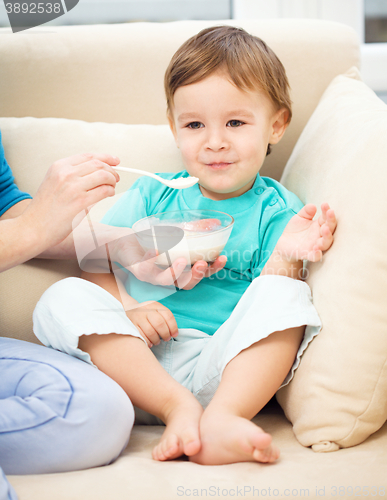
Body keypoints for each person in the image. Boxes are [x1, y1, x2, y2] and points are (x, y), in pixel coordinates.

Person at [33, 26, 337, 467]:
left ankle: (221, 421)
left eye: (235, 122)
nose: (214, 141)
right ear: (175, 130)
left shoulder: (277, 211)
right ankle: (177, 408)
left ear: (276, 125)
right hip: (131, 366)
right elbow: (97, 262)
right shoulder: (155, 195)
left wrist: (288, 255)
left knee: (290, 296)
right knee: (59, 298)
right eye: (195, 125)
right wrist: (127, 310)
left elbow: (268, 303)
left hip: (218, 368)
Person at [0, 132, 217, 499]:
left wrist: (126, 247)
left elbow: (7, 209)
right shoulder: (150, 195)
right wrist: (32, 226)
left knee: (99, 412)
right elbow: (25, 226)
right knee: (64, 295)